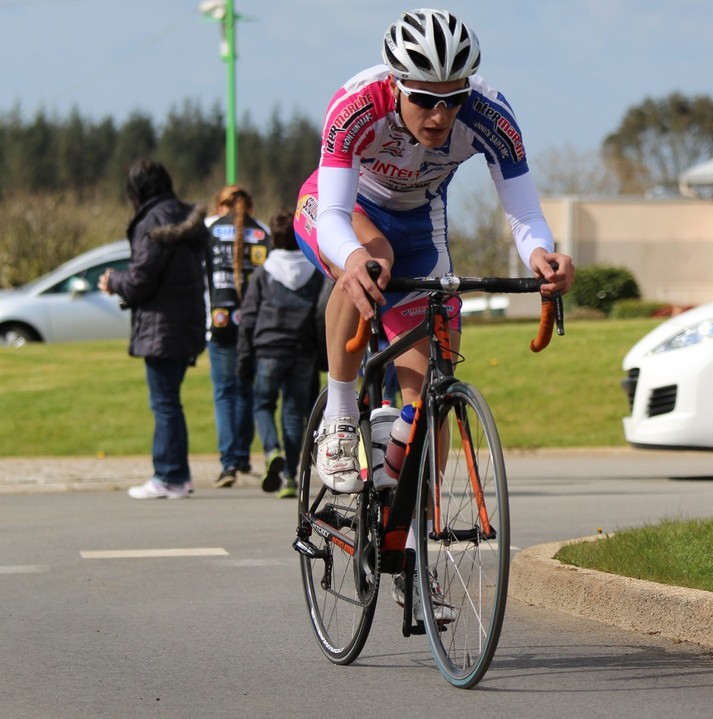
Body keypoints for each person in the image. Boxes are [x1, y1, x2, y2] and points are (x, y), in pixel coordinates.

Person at [293, 9, 575, 620]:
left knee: (429, 396)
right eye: (424, 100)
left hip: (423, 228)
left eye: (453, 99)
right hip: (340, 212)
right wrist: (355, 261)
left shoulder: (490, 115)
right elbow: (336, 213)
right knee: (372, 258)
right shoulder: (357, 103)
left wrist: (543, 256)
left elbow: (523, 213)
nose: (440, 115)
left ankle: (413, 551)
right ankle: (342, 420)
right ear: (397, 85)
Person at [99, 159, 208, 500]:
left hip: (162, 327)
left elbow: (139, 280)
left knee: (164, 403)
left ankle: (169, 475)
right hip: (186, 320)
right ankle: (179, 475)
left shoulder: (151, 221)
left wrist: (113, 281)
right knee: (170, 402)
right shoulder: (184, 216)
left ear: (138, 189)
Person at [236, 212, 324, 499]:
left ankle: (272, 449)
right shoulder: (314, 272)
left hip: (268, 348)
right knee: (293, 412)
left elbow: (248, 317)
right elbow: (322, 314)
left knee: (262, 404)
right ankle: (290, 477)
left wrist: (244, 356)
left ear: (273, 238)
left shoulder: (264, 272)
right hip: (303, 349)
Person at [205, 186, 272, 488]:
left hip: (218, 322)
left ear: (221, 205)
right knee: (246, 389)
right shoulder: (263, 231)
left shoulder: (210, 229)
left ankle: (229, 462)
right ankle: (242, 456)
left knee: (224, 393)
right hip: (255, 324)